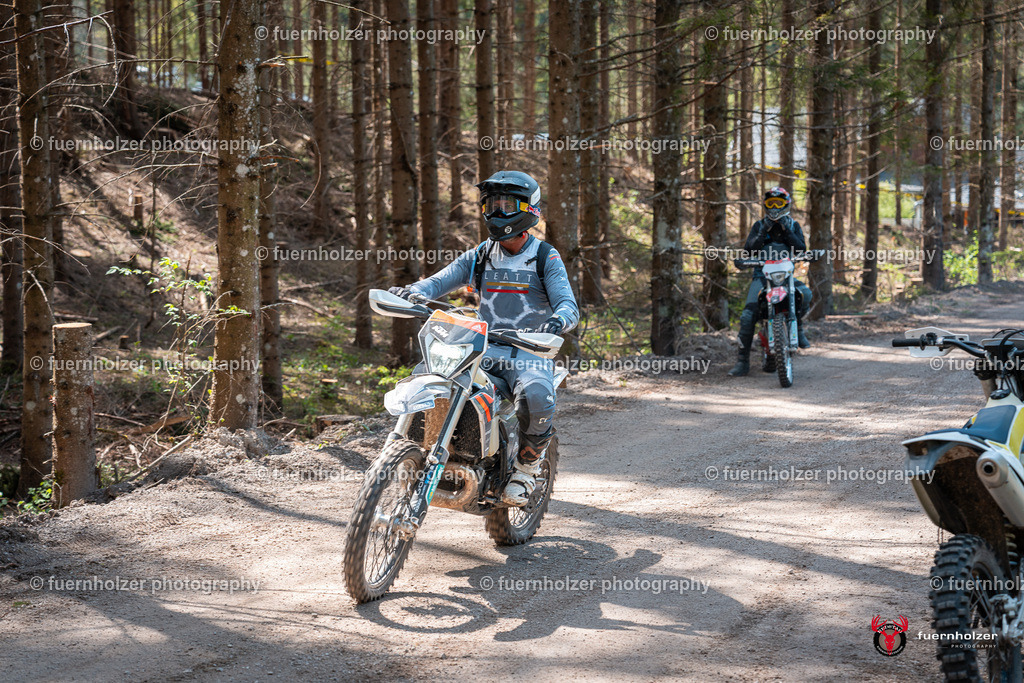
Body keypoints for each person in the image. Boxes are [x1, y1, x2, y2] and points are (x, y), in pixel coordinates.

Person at [389, 170, 579, 506]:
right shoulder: (482, 253)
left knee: (536, 396)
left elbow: (568, 305)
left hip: (529, 349)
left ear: (530, 209)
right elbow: (440, 281)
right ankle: (415, 448)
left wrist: (557, 320)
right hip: (481, 346)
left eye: (508, 206)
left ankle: (526, 469)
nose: (498, 212)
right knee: (427, 374)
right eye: (492, 205)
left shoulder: (544, 256)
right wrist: (413, 292)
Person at [728, 187, 813, 377]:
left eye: (778, 203)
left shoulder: (793, 225)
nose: (774, 207)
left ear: (786, 205)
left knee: (806, 294)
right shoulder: (759, 225)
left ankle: (798, 329)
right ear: (765, 205)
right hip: (762, 276)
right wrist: (763, 231)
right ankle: (742, 361)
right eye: (770, 203)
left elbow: (800, 249)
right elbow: (749, 251)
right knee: (748, 316)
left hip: (786, 275)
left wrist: (786, 230)